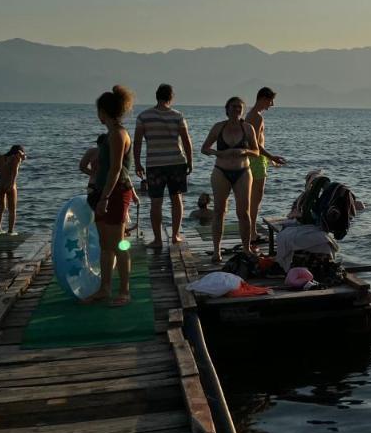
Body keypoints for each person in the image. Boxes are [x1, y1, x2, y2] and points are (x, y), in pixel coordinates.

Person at [84, 86, 136, 306]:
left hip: (115, 193)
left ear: (103, 111)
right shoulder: (109, 134)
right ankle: (104, 288)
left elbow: (116, 169)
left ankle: (124, 290)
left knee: (119, 244)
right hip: (103, 191)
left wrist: (104, 198)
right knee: (105, 245)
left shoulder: (117, 134)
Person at [133, 83, 194, 249]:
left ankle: (158, 240)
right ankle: (175, 236)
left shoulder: (143, 117)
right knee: (177, 199)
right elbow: (186, 141)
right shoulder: (178, 116)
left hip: (154, 164)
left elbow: (137, 142)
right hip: (176, 162)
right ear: (171, 97)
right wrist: (190, 161)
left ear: (156, 96)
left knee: (156, 202)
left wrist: (137, 163)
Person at [201, 97, 260, 261]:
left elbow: (256, 151)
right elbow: (204, 149)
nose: (236, 110)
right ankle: (216, 251)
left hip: (242, 171)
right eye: (233, 107)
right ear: (227, 109)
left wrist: (245, 152)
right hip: (221, 171)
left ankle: (247, 248)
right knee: (219, 211)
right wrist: (219, 153)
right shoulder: (219, 127)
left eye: (239, 108)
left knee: (244, 212)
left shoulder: (247, 128)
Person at [244, 87, 287, 246]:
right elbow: (254, 143)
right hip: (256, 159)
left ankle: (251, 231)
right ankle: (252, 233)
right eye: (270, 101)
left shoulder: (251, 115)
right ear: (262, 98)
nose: (272, 104)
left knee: (252, 198)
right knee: (256, 198)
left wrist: (268, 159)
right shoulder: (256, 117)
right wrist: (271, 156)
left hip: (256, 159)